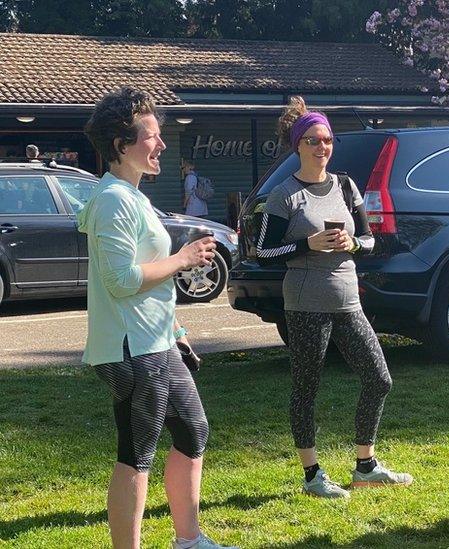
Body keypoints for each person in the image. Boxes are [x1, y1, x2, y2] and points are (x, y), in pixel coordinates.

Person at [79, 87, 236, 549]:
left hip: (158, 343)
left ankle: (189, 540)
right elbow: (122, 280)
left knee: (194, 430)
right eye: (151, 136)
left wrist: (176, 331)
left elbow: (148, 286)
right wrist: (184, 257)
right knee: (137, 452)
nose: (161, 144)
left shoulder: (133, 196)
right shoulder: (113, 200)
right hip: (130, 351)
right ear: (122, 145)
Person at [255, 96, 412, 498]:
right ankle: (312, 476)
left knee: (379, 379)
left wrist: (352, 244)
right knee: (306, 389)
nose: (321, 146)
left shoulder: (345, 186)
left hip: (347, 300)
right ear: (298, 146)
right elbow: (263, 251)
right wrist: (308, 244)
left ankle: (365, 465)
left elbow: (370, 240)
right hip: (306, 304)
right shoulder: (284, 195)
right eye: (312, 140)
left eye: (326, 139)